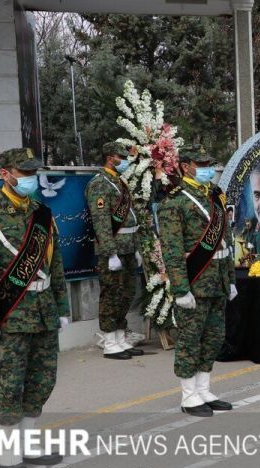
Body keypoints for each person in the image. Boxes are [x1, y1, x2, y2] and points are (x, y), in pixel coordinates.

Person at [0, 148, 68, 468]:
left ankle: (28, 445)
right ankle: (8, 455)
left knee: (41, 381)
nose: (31, 179)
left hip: (43, 312)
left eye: (34, 172)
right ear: (6, 174)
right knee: (11, 384)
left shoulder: (41, 213)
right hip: (10, 315)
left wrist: (62, 307)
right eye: (25, 173)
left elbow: (55, 265)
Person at [157, 145, 237, 414]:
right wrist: (181, 289)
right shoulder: (175, 202)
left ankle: (204, 389)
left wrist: (231, 279)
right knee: (190, 339)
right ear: (186, 166)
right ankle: (189, 394)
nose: (208, 169)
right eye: (201, 165)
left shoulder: (214, 196)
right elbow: (171, 250)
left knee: (214, 337)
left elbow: (226, 241)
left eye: (209, 164)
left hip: (218, 280)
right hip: (196, 280)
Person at [84, 142, 144, 359]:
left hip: (128, 247)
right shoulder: (99, 184)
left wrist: (136, 248)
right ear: (110, 158)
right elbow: (100, 222)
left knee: (126, 294)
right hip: (113, 250)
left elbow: (131, 218)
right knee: (111, 295)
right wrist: (110, 253)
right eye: (122, 157)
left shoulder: (118, 182)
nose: (125, 161)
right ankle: (110, 342)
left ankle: (120, 338)